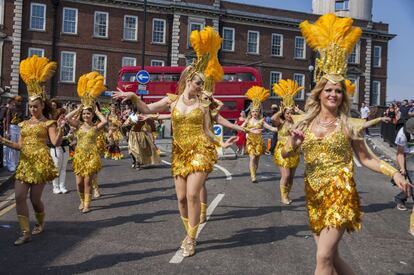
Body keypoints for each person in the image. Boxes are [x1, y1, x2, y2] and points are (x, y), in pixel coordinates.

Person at [283, 14, 410, 274]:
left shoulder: (349, 125)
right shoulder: (303, 122)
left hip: (340, 195)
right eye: (328, 89)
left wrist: (394, 171)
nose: (333, 94)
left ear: (343, 96)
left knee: (322, 260)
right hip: (313, 194)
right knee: (332, 259)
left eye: (338, 91)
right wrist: (293, 144)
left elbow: (366, 159)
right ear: (319, 93)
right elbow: (285, 153)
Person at [113, 25, 240, 258]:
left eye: (203, 83)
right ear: (189, 80)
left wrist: (223, 144)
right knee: (181, 198)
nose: (202, 87)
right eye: (198, 83)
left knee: (192, 194)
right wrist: (132, 96)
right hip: (179, 153)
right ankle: (189, 232)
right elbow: (147, 109)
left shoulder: (203, 105)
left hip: (200, 149)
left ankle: (191, 239)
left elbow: (208, 130)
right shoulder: (171, 100)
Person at [0, 55, 65, 245]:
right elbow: (19, 145)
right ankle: (25, 232)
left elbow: (55, 142)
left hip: (40, 163)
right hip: (25, 163)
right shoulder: (24, 123)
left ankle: (40, 222)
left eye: (35, 106)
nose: (32, 109)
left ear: (42, 106)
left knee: (34, 200)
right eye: (30, 106)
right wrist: (3, 140)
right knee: (19, 196)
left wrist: (61, 129)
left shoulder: (49, 122)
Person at [65, 72, 107, 213]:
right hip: (79, 156)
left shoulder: (95, 127)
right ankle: (82, 200)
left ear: (92, 115)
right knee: (78, 183)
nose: (86, 115)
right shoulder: (78, 125)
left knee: (88, 181)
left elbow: (105, 122)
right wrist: (78, 108)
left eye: (88, 114)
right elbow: (66, 117)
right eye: (84, 114)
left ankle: (87, 204)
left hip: (91, 157)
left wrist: (97, 111)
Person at [272, 79, 303, 204]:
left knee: (291, 177)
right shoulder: (281, 122)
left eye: (291, 112)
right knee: (285, 175)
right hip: (281, 151)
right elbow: (273, 118)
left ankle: (287, 194)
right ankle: (283, 197)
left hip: (294, 151)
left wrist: (299, 111)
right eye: (287, 112)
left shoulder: (297, 122)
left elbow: (308, 119)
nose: (289, 114)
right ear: (284, 112)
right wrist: (280, 110)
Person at [242, 86, 278, 183]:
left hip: (259, 141)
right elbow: (241, 128)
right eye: (253, 111)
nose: (254, 113)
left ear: (259, 112)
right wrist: (249, 130)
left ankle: (254, 171)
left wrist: (280, 129)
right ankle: (253, 176)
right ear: (251, 112)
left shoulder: (262, 121)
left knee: (257, 160)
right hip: (250, 140)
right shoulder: (248, 120)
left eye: (256, 111)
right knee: (252, 157)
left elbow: (271, 128)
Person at [394, 118, 414, 217]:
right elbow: (400, 153)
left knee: (411, 183)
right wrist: (402, 168)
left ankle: (400, 198)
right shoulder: (402, 133)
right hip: (409, 156)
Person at [49, 104, 70, 194]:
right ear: (58, 116)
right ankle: (55, 187)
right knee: (56, 168)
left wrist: (70, 136)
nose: (64, 117)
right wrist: (61, 129)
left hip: (65, 148)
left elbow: (69, 136)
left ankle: (62, 186)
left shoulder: (66, 125)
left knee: (63, 168)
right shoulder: (53, 125)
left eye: (64, 115)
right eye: (62, 115)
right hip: (56, 149)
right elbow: (56, 139)